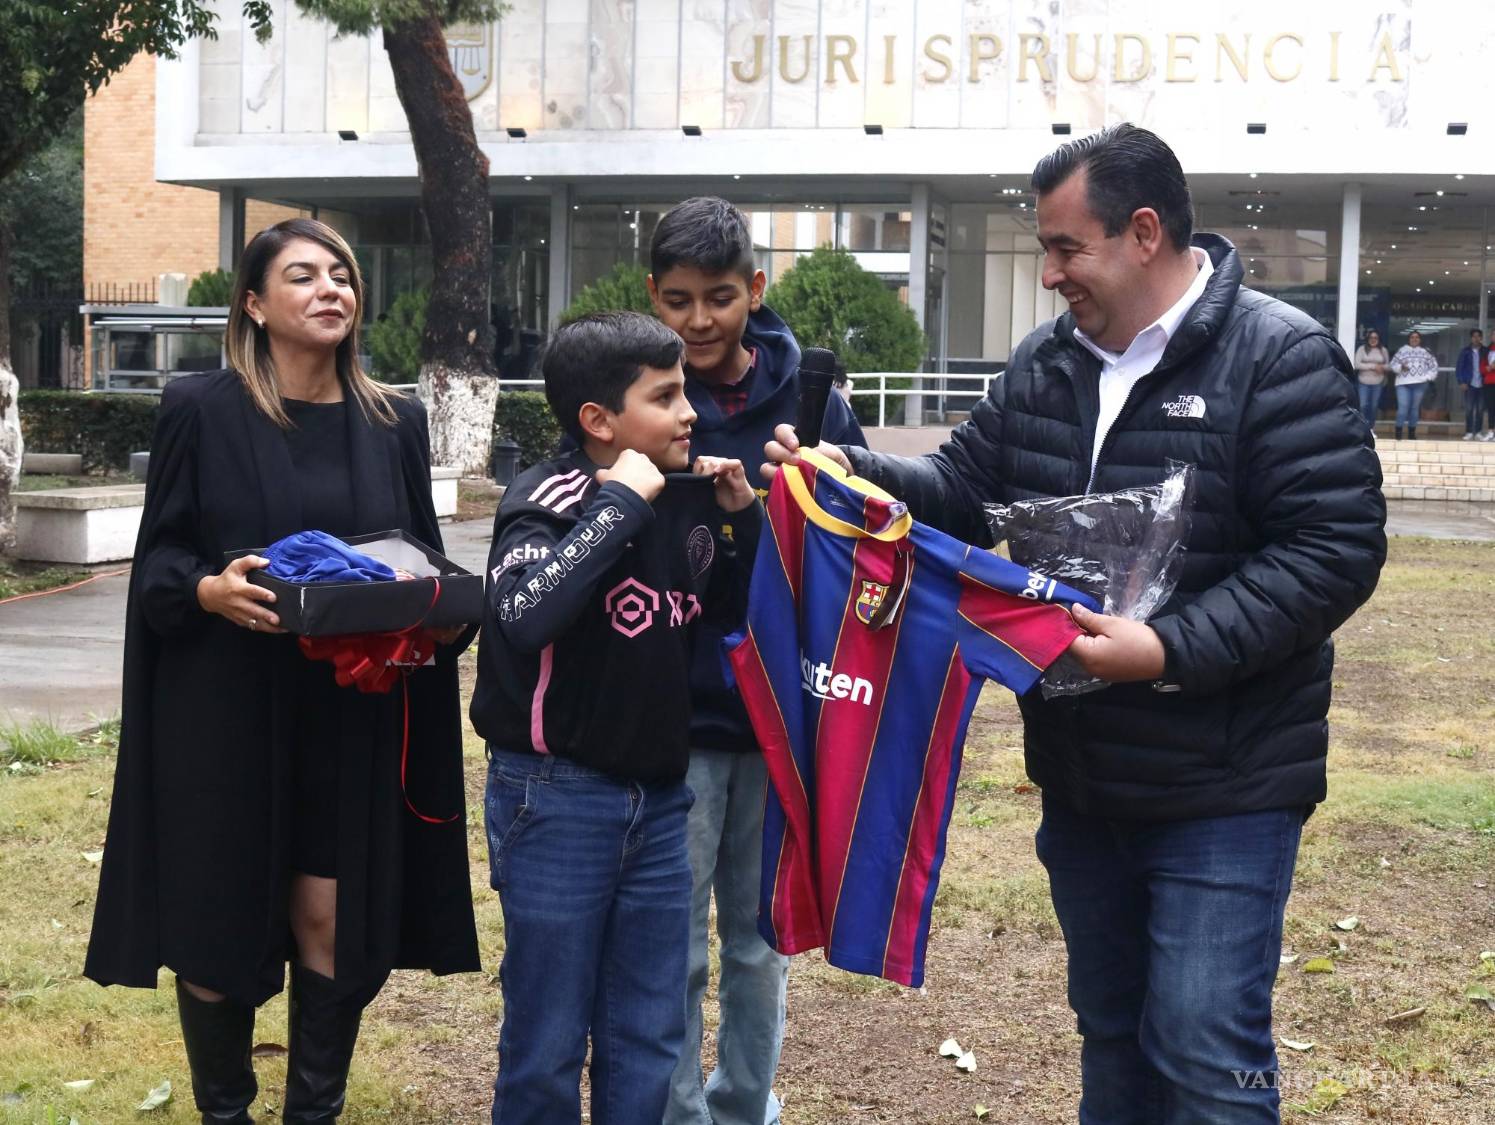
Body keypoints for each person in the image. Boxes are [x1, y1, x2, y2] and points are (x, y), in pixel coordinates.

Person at [764, 123, 1386, 1124]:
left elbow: (1332, 554)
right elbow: (963, 486)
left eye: (1064, 247)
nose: (1049, 273)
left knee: (1203, 1045)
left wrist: (1171, 651)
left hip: (1223, 784)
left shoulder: (1277, 359)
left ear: (1143, 233)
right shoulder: (1048, 362)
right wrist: (855, 474)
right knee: (1111, 1031)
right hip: (1084, 774)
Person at [84, 218, 480, 1124]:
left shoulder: (395, 421)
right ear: (256, 305)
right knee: (217, 926)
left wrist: (434, 609)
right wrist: (208, 589)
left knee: (331, 920)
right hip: (223, 711)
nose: (330, 289)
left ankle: (314, 1113)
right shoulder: (199, 409)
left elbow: (417, 555)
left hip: (350, 715)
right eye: (303, 276)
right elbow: (160, 564)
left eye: (341, 273)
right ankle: (225, 1111)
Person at [469, 312, 761, 1125]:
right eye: (664, 396)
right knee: (548, 1038)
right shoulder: (548, 497)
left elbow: (722, 617)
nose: (690, 412)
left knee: (647, 1033)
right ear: (599, 421)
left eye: (686, 392)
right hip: (556, 799)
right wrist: (620, 506)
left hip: (661, 807)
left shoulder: (686, 495)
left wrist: (738, 522)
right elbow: (523, 615)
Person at [645, 196, 865, 1125]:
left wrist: (808, 485)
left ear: (756, 291)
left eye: (721, 298)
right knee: (672, 944)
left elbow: (867, 536)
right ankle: (676, 1110)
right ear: (652, 296)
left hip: (778, 710)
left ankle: (744, 1105)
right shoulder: (639, 392)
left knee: (756, 936)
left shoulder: (809, 399)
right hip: (669, 712)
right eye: (679, 300)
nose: (699, 321)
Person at [1388, 329, 1439, 440]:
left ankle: (1412, 433)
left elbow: (1434, 367)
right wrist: (1401, 367)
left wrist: (1427, 377)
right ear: (1409, 339)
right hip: (1403, 383)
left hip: (1420, 384)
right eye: (1412, 337)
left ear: (1420, 340)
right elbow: (1392, 365)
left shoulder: (1426, 352)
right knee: (1403, 408)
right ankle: (1398, 432)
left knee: (1414, 409)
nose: (1414, 339)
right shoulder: (1402, 351)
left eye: (1417, 337)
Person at [1353, 329, 1389, 425]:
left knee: (1374, 406)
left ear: (1379, 339)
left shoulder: (1383, 350)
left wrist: (1381, 367)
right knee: (1363, 405)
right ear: (1367, 339)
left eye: (1375, 337)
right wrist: (1374, 366)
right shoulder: (1361, 349)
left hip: (1377, 383)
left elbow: (1388, 366)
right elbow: (1356, 364)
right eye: (1371, 337)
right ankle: (1362, 427)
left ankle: (1371, 428)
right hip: (1363, 382)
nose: (1373, 339)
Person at [1455, 329, 1485, 441]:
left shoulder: (1485, 351)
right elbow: (1459, 368)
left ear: (1481, 338)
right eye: (1474, 336)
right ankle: (1468, 432)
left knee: (1480, 409)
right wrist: (1461, 381)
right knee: (1469, 409)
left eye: (1478, 336)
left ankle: (1478, 432)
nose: (1476, 338)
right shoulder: (1465, 351)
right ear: (1471, 338)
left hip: (1482, 384)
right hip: (1469, 384)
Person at [1481, 345, 1495, 441]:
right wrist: (1489, 368)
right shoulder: (1488, 350)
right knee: (1491, 408)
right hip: (1490, 382)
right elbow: (1482, 367)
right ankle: (1491, 432)